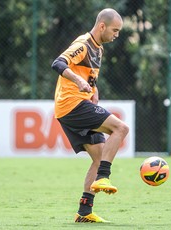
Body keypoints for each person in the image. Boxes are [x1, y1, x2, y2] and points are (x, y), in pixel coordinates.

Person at [51, 8, 129, 223]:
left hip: (77, 105)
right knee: (120, 128)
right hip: (72, 105)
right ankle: (104, 176)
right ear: (102, 26)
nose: (117, 34)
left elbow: (91, 77)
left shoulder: (99, 49)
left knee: (100, 154)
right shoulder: (83, 45)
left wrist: (94, 90)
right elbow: (58, 63)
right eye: (115, 30)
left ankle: (84, 212)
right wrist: (78, 81)